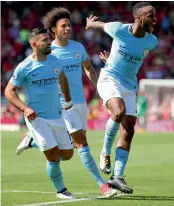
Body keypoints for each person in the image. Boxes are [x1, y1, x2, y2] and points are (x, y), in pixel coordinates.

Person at [16, 8, 117, 197]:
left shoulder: (78, 48)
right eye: (63, 26)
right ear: (53, 30)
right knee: (82, 144)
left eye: (69, 25)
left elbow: (88, 68)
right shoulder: (48, 51)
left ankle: (33, 140)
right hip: (63, 106)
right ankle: (103, 186)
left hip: (79, 103)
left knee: (67, 154)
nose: (68, 28)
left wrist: (100, 88)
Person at [85, 2, 158, 194]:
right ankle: (105, 152)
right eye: (151, 15)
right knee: (118, 112)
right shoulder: (118, 29)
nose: (155, 19)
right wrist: (89, 23)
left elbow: (129, 59)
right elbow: (98, 25)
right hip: (109, 78)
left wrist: (113, 58)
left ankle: (117, 176)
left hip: (129, 85)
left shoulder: (152, 41)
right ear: (138, 17)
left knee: (129, 130)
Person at [5, 27, 75, 199]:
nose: (49, 42)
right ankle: (61, 191)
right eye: (45, 40)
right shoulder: (24, 67)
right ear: (34, 44)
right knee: (52, 156)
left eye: (49, 39)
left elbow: (63, 79)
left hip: (57, 116)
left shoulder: (55, 62)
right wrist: (25, 109)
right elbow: (9, 91)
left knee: (67, 155)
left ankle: (31, 140)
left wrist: (68, 100)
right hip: (37, 118)